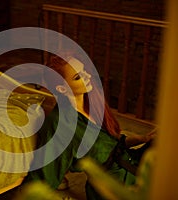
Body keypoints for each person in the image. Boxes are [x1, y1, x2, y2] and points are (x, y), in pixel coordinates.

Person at [23, 52, 155, 200]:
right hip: (112, 185)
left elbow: (110, 145)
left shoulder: (92, 103)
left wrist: (142, 138)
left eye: (84, 70)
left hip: (130, 163)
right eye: (78, 77)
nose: (88, 77)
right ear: (62, 89)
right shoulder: (61, 124)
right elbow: (45, 172)